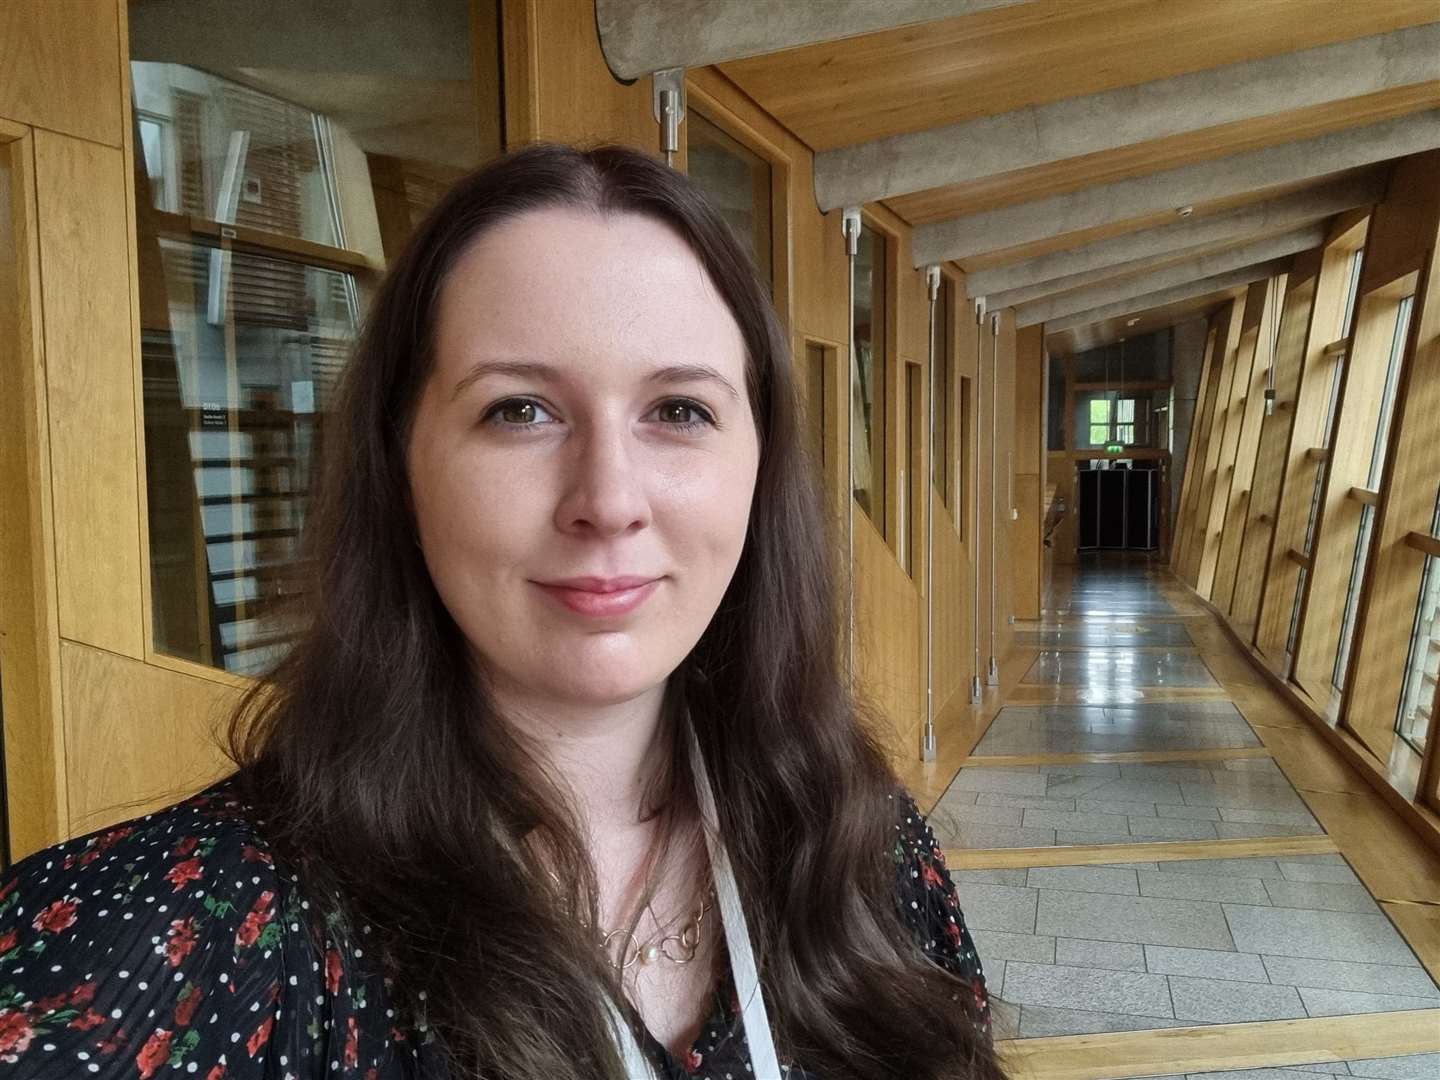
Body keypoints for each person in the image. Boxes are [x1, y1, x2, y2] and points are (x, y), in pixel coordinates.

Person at [0, 144, 998, 1080]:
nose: (608, 499)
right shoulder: (194, 932)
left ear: (759, 465)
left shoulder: (859, 846)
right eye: (520, 409)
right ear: (401, 464)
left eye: (678, 411)